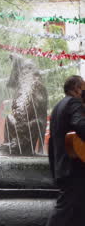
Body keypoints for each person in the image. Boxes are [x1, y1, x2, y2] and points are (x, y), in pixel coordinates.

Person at [47, 75, 85, 226]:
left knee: (78, 211)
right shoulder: (73, 102)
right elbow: (80, 124)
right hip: (73, 169)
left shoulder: (58, 107)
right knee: (63, 212)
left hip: (63, 168)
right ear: (77, 89)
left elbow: (51, 142)